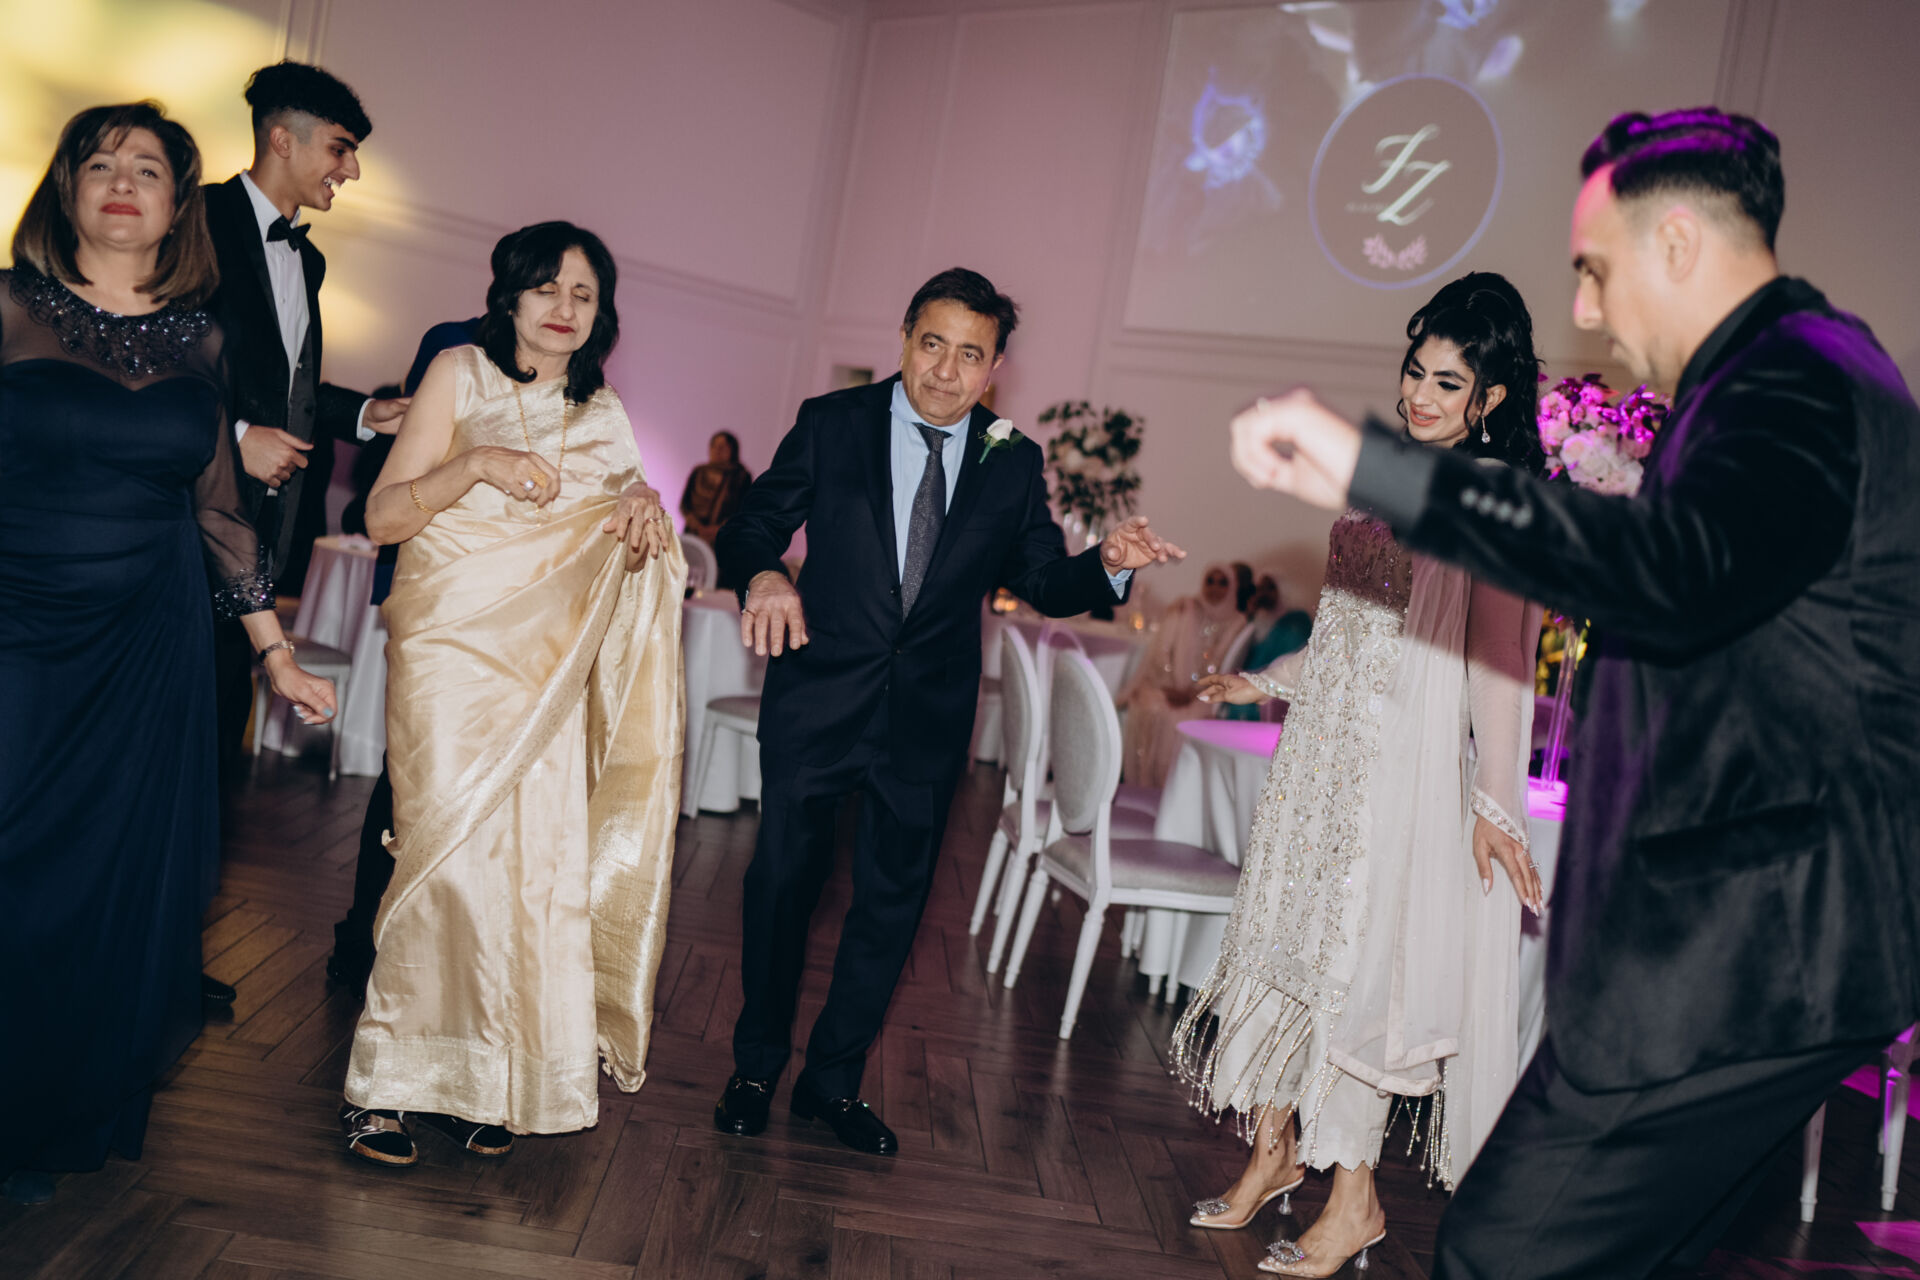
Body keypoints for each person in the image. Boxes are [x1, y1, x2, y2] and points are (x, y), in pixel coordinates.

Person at [1226, 108, 1920, 1279]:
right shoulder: (1800, 371)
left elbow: (1671, 566)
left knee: (1497, 1250)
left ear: (1678, 240)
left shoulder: (1793, 381)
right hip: (1774, 944)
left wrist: (1386, 470)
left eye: (1594, 269)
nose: (1587, 311)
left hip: (1747, 947)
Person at [713, 267, 1185, 1155]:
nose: (946, 370)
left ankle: (831, 1081)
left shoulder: (1014, 460)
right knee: (780, 888)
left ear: (995, 368)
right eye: (933, 344)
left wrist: (1107, 564)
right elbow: (751, 525)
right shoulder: (833, 422)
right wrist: (767, 573)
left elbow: (1041, 579)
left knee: (891, 906)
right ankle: (755, 1066)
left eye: (971, 355)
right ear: (905, 339)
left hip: (925, 721)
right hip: (818, 700)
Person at [1174, 273, 1546, 1277]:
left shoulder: (1489, 503)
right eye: (1416, 371)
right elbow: (1346, 635)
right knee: (1283, 950)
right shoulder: (1389, 482)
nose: (1420, 394)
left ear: (1490, 398)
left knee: (1355, 977)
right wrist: (1260, 678)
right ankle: (1273, 1151)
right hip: (1319, 764)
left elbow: (1501, 669)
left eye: (1448, 382)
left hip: (1396, 777)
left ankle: (1356, 1202)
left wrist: (1493, 802)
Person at [0, 102, 336, 1205]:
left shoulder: (202, 340)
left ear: (177, 207)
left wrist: (275, 653)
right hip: (15, 627)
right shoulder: (7, 307)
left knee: (97, 875)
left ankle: (42, 1111)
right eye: (99, 162)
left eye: (147, 168)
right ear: (65, 188)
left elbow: (219, 510)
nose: (121, 181)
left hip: (146, 646)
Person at [338, 223, 682, 1166]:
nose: (564, 308)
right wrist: (475, 464)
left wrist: (643, 509)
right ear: (510, 297)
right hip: (450, 656)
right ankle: (383, 1087)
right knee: (443, 860)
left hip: (546, 670)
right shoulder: (458, 373)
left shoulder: (602, 410)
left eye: (584, 294)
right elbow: (381, 516)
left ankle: (481, 1080)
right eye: (547, 288)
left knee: (526, 873)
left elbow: (618, 537)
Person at [203, 60, 407, 784]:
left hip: (255, 541)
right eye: (340, 148)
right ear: (282, 139)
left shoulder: (307, 259)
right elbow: (151, 365)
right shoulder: (196, 220)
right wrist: (233, 440)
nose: (352, 170)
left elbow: (280, 386)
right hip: (179, 531)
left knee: (215, 754)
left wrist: (364, 413)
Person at [325, 316, 483, 994]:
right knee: (410, 769)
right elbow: (412, 463)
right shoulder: (453, 346)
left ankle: (456, 951)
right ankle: (365, 932)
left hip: (520, 614)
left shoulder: (576, 370)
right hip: (437, 586)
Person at [1116, 562, 1248, 785]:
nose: (1215, 588)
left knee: (1182, 718)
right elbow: (1162, 653)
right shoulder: (1185, 608)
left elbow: (1220, 665)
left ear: (1232, 587)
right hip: (1167, 685)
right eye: (1210, 581)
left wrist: (1193, 691)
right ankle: (1145, 786)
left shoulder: (1236, 622)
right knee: (1151, 706)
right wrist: (1172, 687)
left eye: (1222, 583)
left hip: (1204, 692)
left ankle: (1175, 787)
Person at [1219, 575, 1312, 722]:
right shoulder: (1260, 622)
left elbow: (1288, 662)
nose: (1263, 594)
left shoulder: (1296, 623)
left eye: (1270, 588)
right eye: (1260, 589)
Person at [680, 429, 753, 544]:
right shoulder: (699, 472)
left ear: (732, 450)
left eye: (723, 447)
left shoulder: (740, 476)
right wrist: (699, 528)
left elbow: (743, 510)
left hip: (725, 537)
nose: (717, 451)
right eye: (714, 446)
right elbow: (685, 505)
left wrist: (719, 528)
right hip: (694, 535)